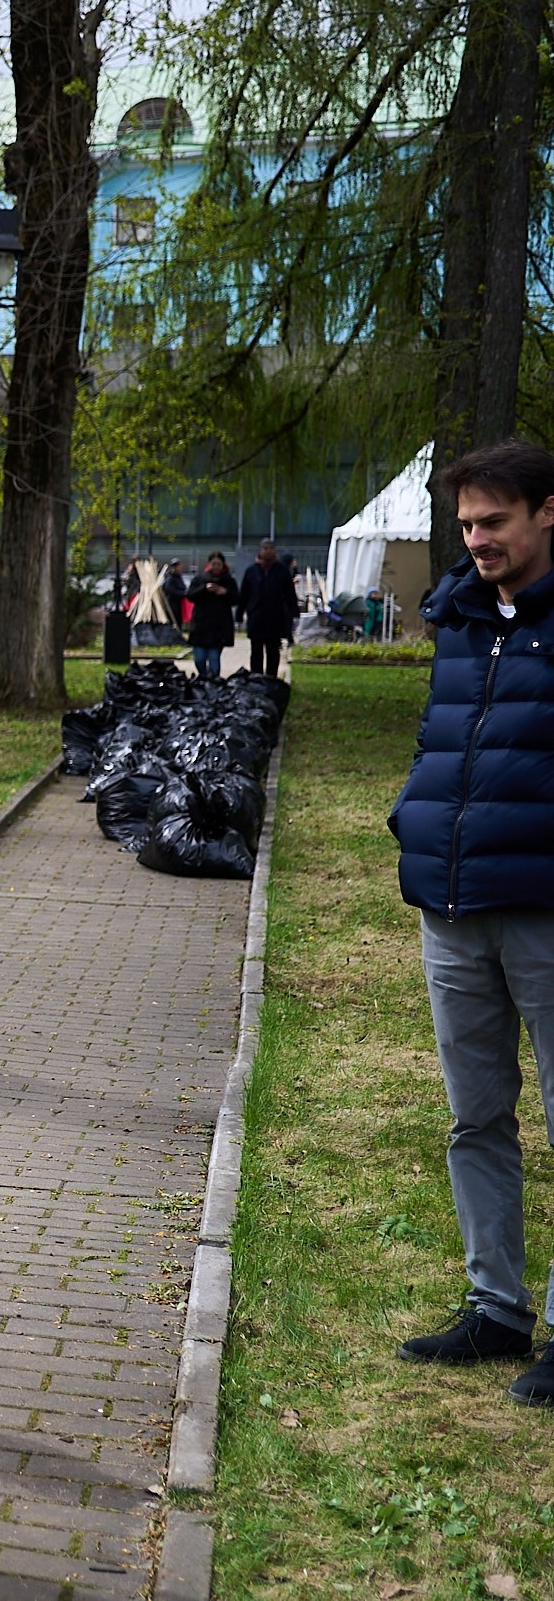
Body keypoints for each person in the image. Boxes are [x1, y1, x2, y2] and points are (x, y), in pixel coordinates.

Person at [390, 439, 554, 1403]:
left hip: (543, 910)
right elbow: (441, 733)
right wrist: (413, 812)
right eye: (466, 525)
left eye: (495, 521)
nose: (478, 540)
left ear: (547, 512)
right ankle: (497, 1308)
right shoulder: (458, 614)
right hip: (451, 905)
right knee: (476, 1117)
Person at [237, 539, 300, 674]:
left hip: (275, 617)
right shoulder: (252, 570)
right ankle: (256, 677)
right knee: (256, 651)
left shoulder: (282, 570)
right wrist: (239, 614)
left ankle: (271, 678)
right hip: (256, 616)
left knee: (273, 650)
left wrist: (294, 613)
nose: (268, 551)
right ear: (260, 550)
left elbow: (289, 593)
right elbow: (244, 594)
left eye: (270, 548)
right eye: (265, 548)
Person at [186, 552, 238, 679]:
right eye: (214, 564)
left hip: (219, 627)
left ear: (223, 565)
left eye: (219, 564)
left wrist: (225, 592)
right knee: (199, 659)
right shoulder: (200, 579)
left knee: (214, 659)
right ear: (209, 564)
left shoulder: (228, 580)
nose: (216, 567)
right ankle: (203, 678)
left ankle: (213, 681)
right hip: (201, 625)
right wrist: (204, 589)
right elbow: (190, 595)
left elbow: (236, 599)